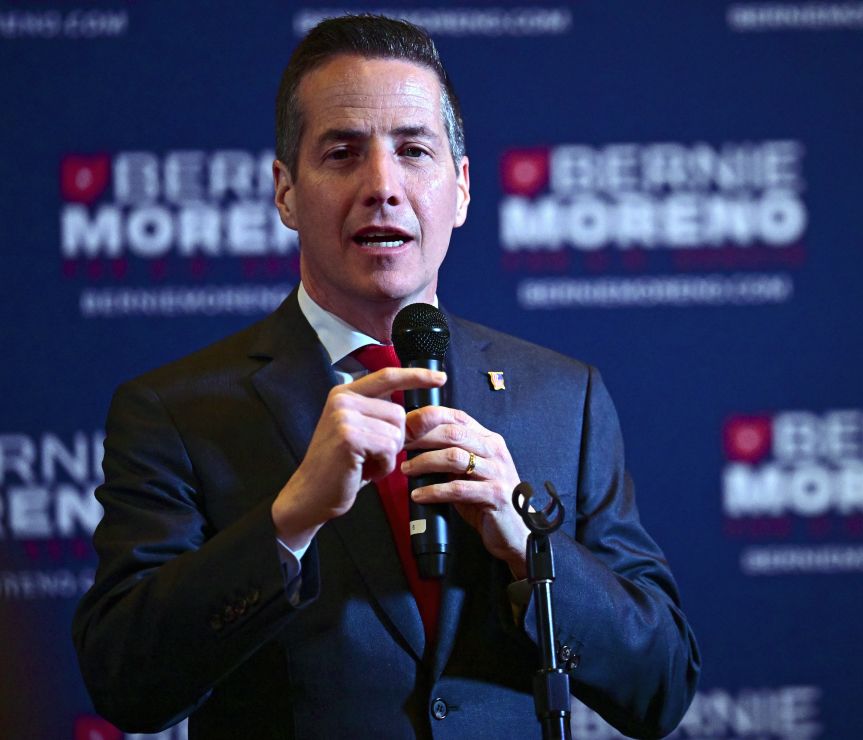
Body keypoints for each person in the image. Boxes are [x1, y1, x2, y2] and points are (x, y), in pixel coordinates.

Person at [72, 14, 699, 739]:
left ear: (460, 189)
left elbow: (662, 687)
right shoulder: (176, 411)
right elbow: (126, 682)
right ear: (285, 192)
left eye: (413, 151)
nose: (383, 185)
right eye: (343, 153)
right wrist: (289, 520)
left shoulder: (566, 399)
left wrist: (527, 547)